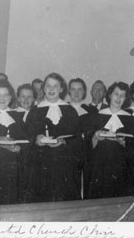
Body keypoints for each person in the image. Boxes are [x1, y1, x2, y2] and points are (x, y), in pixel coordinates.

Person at [25, 73, 83, 202]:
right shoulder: (34, 111)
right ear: (43, 88)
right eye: (48, 86)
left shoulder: (70, 111)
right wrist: (36, 139)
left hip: (64, 162)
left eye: (55, 86)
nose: (51, 89)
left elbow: (77, 139)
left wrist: (63, 142)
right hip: (40, 162)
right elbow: (27, 135)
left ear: (61, 89)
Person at [86, 82, 134, 199]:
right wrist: (95, 136)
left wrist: (124, 143)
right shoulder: (96, 116)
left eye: (122, 95)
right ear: (110, 95)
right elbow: (87, 144)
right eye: (116, 94)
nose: (118, 98)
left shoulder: (131, 120)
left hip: (122, 169)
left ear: (126, 99)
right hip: (99, 168)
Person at [0, 79, 30, 205]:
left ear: (11, 97)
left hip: (14, 166)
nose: (2, 98)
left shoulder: (16, 115)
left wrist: (19, 147)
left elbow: (25, 139)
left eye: (6, 95)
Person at [68, 78, 97, 197]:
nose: (76, 92)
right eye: (73, 89)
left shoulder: (91, 110)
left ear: (84, 92)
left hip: (86, 153)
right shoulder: (63, 109)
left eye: (79, 89)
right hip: (68, 152)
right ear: (69, 91)